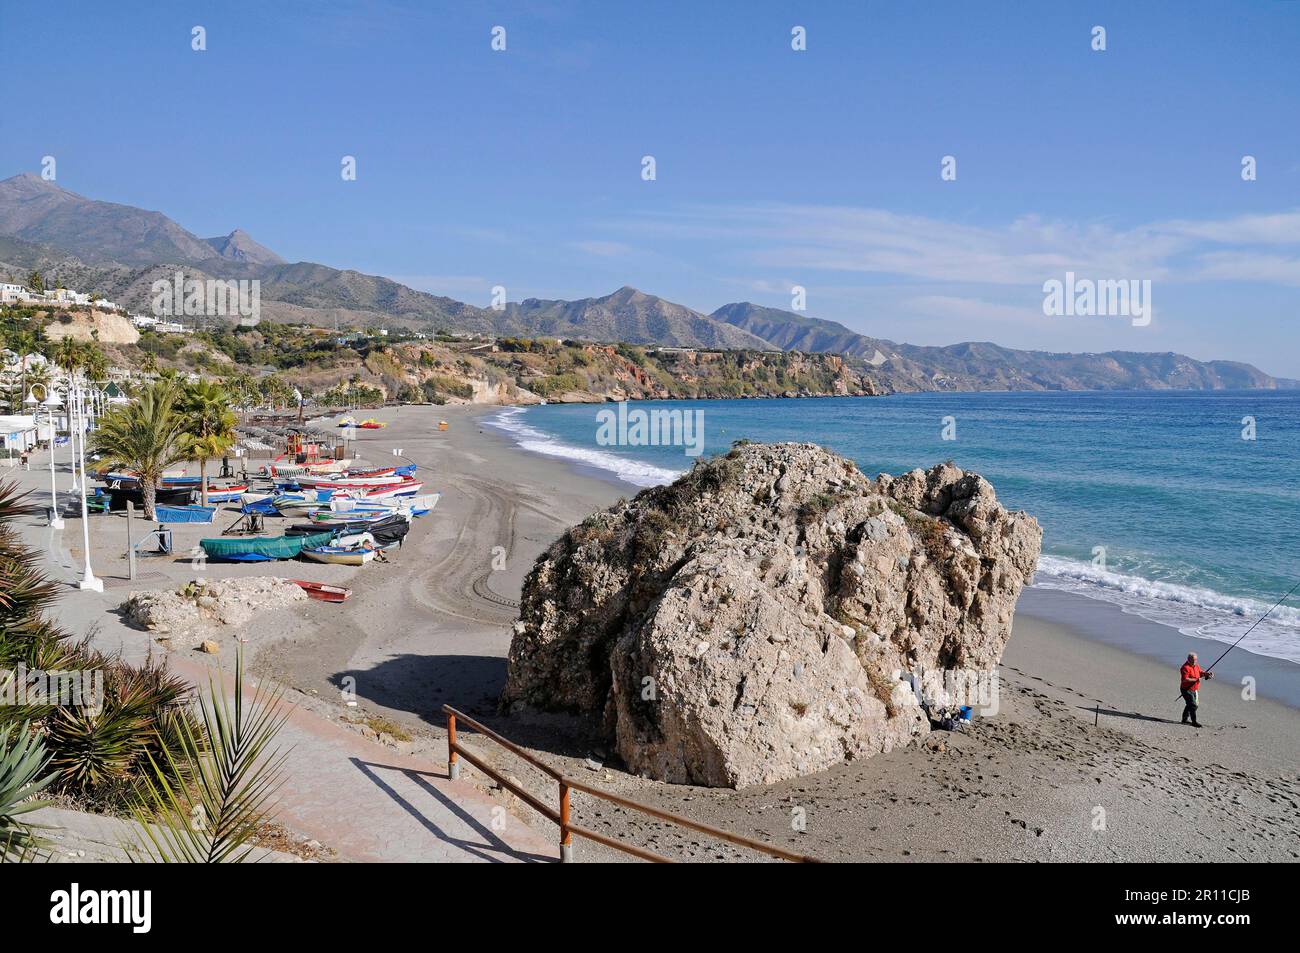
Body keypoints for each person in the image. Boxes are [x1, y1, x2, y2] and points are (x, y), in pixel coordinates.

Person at [1180, 652, 1213, 727]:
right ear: (1188, 659)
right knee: (1193, 705)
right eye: (1193, 660)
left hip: (1194, 689)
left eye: (1196, 660)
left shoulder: (1196, 666)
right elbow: (1185, 680)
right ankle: (1194, 722)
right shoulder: (1185, 668)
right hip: (1186, 689)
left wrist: (1206, 674)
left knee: (1192, 704)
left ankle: (1184, 719)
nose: (1195, 661)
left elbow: (1200, 673)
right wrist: (1196, 680)